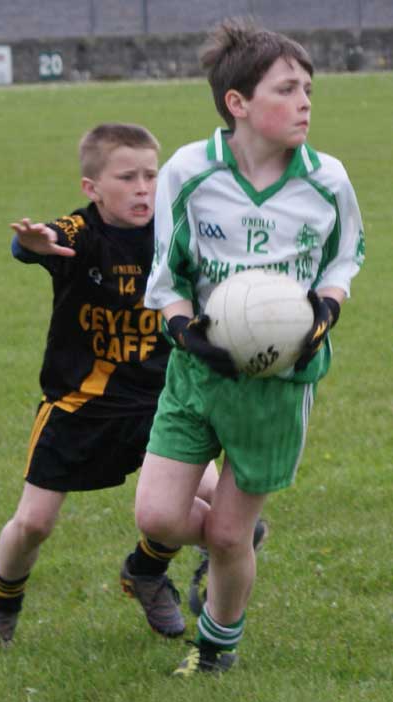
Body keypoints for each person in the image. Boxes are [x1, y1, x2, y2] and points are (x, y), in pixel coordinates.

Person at [134, 18, 365, 677]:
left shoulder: (327, 181)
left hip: (278, 382)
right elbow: (166, 276)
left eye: (309, 90)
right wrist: (184, 331)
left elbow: (344, 259)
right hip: (196, 372)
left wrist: (324, 311)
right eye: (287, 89)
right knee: (157, 515)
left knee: (229, 536)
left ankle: (215, 651)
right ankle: (227, 547)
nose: (305, 103)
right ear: (237, 102)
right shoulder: (189, 170)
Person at [0, 122, 230, 649]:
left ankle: (146, 570)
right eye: (127, 177)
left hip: (163, 399)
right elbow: (48, 240)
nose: (143, 188)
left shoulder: (173, 232)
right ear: (92, 188)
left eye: (151, 175)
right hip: (80, 404)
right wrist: (30, 243)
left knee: (217, 502)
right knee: (35, 522)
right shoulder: (82, 232)